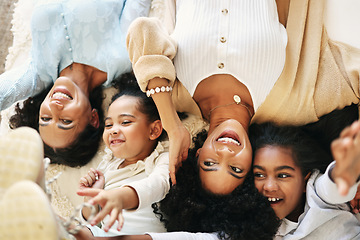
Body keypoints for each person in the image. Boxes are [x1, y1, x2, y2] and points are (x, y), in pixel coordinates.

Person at [126, 0, 288, 193]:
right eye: (235, 169)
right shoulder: (291, 104)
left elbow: (143, 29)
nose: (225, 153)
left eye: (210, 163)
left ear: (198, 154)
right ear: (252, 163)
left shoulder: (175, 93)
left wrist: (173, 127)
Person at [1, 0, 151, 167]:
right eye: (65, 121)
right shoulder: (121, 58)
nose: (55, 107)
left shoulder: (40, 74)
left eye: (45, 118)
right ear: (93, 118)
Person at [76, 73, 169, 236]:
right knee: (73, 229)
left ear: (154, 130)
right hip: (104, 235)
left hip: (143, 237)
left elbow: (159, 184)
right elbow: (92, 222)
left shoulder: (162, 158)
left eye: (125, 122)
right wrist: (92, 198)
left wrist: (121, 196)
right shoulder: (107, 165)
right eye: (109, 124)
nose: (113, 130)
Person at [250, 122, 360, 239]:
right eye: (259, 175)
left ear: (305, 180)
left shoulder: (316, 194)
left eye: (282, 175)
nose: (269, 186)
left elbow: (332, 188)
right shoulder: (253, 227)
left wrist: (347, 168)